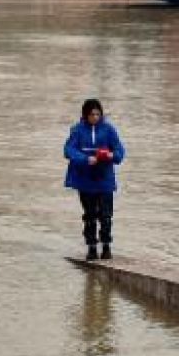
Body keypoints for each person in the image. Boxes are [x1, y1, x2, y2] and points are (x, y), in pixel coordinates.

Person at [63, 98, 125, 261]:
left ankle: (106, 246)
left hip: (105, 179)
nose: (95, 117)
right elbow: (68, 150)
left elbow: (119, 149)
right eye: (92, 114)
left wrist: (112, 155)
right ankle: (91, 247)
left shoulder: (109, 129)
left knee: (105, 215)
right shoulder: (77, 130)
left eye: (98, 114)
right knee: (90, 215)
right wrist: (85, 158)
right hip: (85, 179)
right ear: (85, 115)